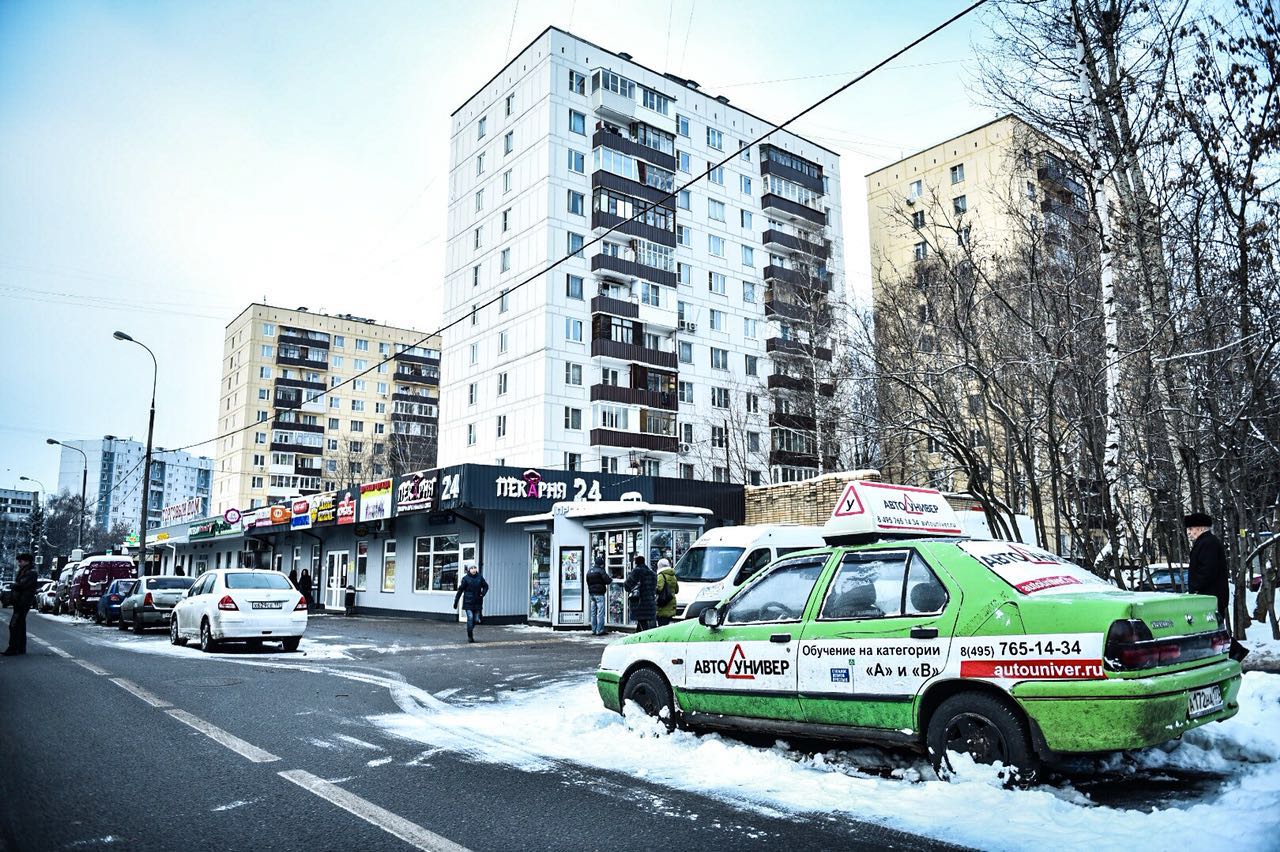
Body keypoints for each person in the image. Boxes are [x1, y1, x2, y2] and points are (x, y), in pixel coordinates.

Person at [1185, 511, 1230, 620]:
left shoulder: (1207, 543)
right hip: (1209, 597)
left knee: (1211, 631)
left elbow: (1207, 570)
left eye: (1191, 529)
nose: (1188, 532)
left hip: (1209, 598)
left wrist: (1195, 588)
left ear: (1200, 528)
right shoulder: (1206, 542)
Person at [4, 553, 38, 656]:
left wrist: (13, 585)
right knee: (20, 624)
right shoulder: (26, 571)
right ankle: (20, 648)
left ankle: (13, 648)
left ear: (27, 561)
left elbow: (22, 585)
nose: (19, 563)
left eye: (21, 561)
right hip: (20, 601)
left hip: (23, 602)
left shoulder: (30, 573)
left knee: (14, 625)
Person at [453, 562, 489, 643]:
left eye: (474, 568)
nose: (473, 569)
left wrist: (482, 594)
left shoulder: (480, 577)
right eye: (472, 568)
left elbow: (486, 586)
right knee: (470, 618)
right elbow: (460, 590)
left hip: (478, 602)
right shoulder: (465, 579)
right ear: (469, 569)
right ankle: (470, 636)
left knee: (476, 620)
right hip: (468, 602)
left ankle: (469, 629)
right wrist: (456, 601)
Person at [625, 554, 657, 631]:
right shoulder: (652, 573)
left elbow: (627, 585)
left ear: (636, 562)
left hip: (639, 601)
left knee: (642, 621)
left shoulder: (636, 571)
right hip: (650, 601)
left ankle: (645, 638)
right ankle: (638, 635)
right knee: (643, 621)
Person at [586, 556, 613, 635]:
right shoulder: (601, 571)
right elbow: (607, 581)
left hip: (592, 594)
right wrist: (611, 578)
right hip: (599, 594)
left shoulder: (589, 571)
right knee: (600, 612)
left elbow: (588, 582)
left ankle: (594, 630)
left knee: (593, 613)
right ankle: (600, 630)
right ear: (601, 564)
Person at [655, 557, 679, 626]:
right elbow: (677, 590)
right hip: (671, 601)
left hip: (663, 602)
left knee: (661, 624)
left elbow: (659, 588)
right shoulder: (673, 576)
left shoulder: (661, 576)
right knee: (667, 623)